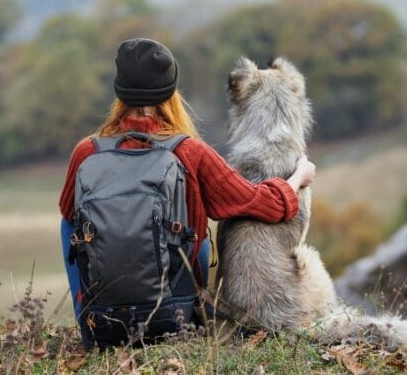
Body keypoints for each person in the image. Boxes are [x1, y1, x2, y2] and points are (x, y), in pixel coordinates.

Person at [58, 37, 316, 334]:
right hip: (174, 321)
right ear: (171, 92)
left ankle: (86, 313)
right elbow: (264, 204)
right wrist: (298, 177)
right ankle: (189, 304)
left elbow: (69, 214)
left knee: (70, 222)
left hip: (103, 327)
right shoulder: (191, 152)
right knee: (197, 223)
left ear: (119, 92)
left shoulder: (87, 152)